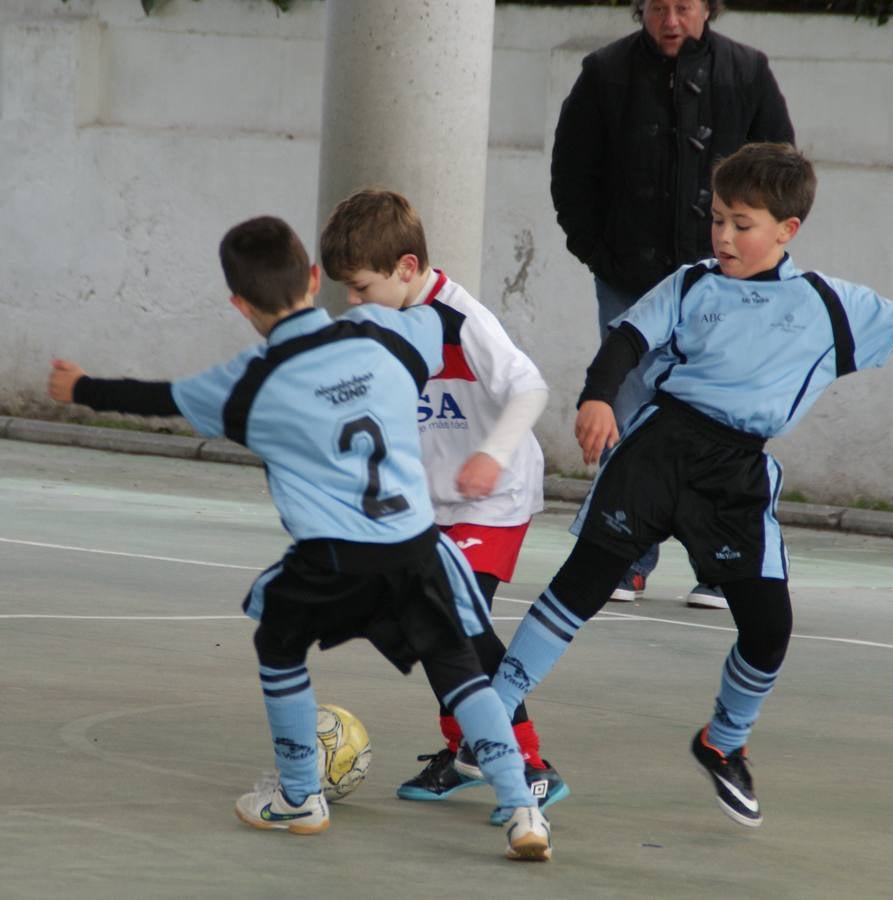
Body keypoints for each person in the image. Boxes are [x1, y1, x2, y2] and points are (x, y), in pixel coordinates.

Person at [490, 142, 893, 828]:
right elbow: (625, 342)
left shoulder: (830, 305)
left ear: (785, 230)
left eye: (742, 223)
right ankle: (485, 724)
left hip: (735, 475)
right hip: (658, 450)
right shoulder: (689, 284)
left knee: (768, 629)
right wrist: (596, 397)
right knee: (574, 592)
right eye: (717, 220)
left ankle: (722, 742)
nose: (724, 236)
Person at [46, 215, 552, 861]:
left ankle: (296, 796)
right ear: (315, 279)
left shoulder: (248, 383)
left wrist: (80, 387)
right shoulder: (392, 334)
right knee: (458, 668)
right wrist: (416, 282)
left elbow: (158, 398)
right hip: (415, 546)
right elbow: (447, 318)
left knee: (278, 644)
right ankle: (521, 809)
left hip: (331, 556)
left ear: (239, 304)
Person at [319, 189, 568, 825]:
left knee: (451, 622)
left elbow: (529, 387)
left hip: (493, 500)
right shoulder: (382, 324)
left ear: (406, 269)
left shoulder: (465, 320)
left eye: (361, 286)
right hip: (429, 507)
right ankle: (467, 748)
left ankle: (529, 763)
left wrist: (491, 455)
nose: (353, 300)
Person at [550, 0, 795, 609]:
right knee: (630, 410)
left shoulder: (747, 71)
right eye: (657, 7)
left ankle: (724, 565)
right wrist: (598, 251)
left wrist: (752, 254)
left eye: (684, 7)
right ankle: (627, 558)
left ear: (707, 9)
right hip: (629, 276)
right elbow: (571, 173)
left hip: (730, 283)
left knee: (723, 418)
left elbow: (779, 171)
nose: (670, 20)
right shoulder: (604, 72)